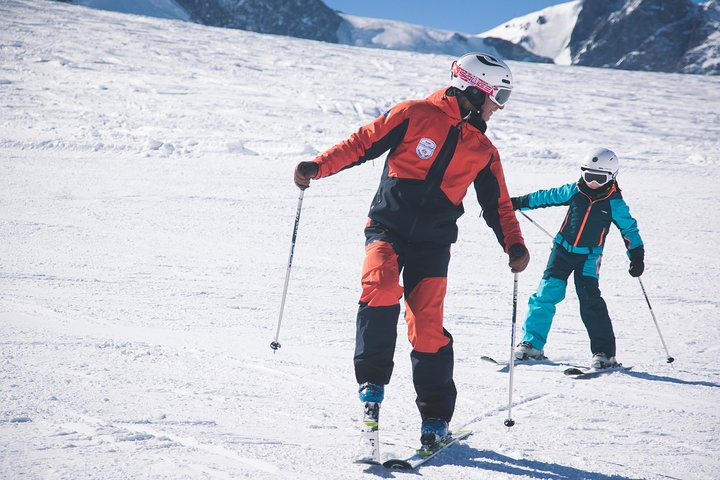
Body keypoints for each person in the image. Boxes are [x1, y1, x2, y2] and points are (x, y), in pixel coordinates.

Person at [293, 53, 529, 452]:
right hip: (388, 228)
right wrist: (317, 166)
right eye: (498, 96)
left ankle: (435, 419)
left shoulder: (484, 150)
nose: (498, 107)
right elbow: (361, 143)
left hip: (433, 243)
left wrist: (514, 243)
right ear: (476, 89)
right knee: (380, 287)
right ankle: (371, 382)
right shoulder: (414, 114)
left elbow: (499, 206)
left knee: (427, 327)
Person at [511, 147, 644, 369]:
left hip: (589, 258)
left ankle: (604, 353)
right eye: (588, 175)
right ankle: (532, 345)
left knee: (590, 302)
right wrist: (518, 202)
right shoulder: (574, 190)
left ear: (612, 177)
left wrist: (636, 256)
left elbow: (629, 229)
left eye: (598, 178)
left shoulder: (615, 203)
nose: (591, 182)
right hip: (561, 251)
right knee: (544, 296)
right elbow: (546, 196)